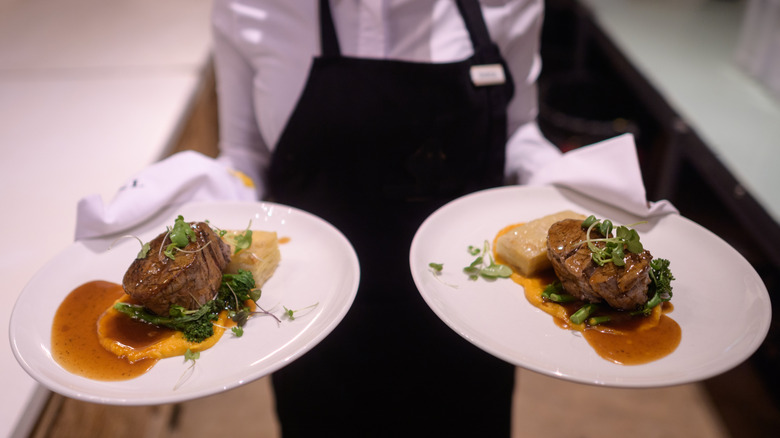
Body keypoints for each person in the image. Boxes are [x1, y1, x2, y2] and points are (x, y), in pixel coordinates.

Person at [209, 0, 560, 436]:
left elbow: (518, 129)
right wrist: (192, 202)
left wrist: (567, 181)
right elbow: (246, 155)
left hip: (470, 316)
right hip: (313, 322)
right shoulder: (248, 7)